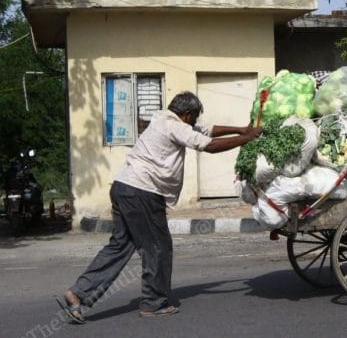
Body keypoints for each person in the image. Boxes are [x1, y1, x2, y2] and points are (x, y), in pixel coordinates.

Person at [57, 91, 263, 323]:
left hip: (123, 186)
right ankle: (153, 303)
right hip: (143, 192)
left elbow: (207, 130)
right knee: (158, 248)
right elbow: (210, 145)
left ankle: (78, 294)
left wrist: (240, 130)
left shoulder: (164, 119)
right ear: (186, 115)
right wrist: (248, 139)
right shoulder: (175, 127)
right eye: (194, 117)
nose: (196, 122)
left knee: (120, 246)